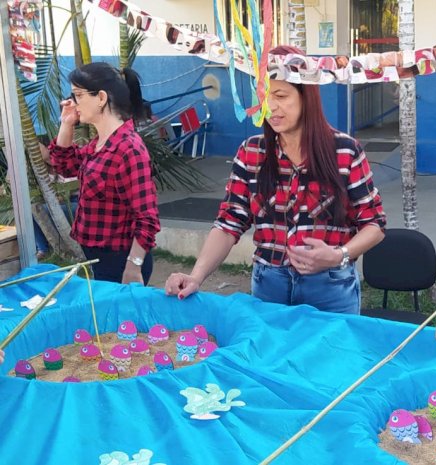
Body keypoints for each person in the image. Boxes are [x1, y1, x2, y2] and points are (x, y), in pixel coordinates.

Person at [165, 45, 386, 314]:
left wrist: (338, 256)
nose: (271, 107)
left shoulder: (344, 151)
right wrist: (196, 276)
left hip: (329, 288)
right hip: (269, 285)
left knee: (328, 355)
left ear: (306, 96)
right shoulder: (252, 152)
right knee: (268, 355)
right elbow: (229, 222)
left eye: (281, 95)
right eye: (265, 95)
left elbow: (373, 224)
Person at [49, 62, 160, 285]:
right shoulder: (100, 144)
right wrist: (67, 124)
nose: (72, 102)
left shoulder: (128, 148)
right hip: (100, 258)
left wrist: (133, 265)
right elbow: (65, 165)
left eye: (78, 95)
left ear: (101, 98)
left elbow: (147, 217)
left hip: (120, 260)